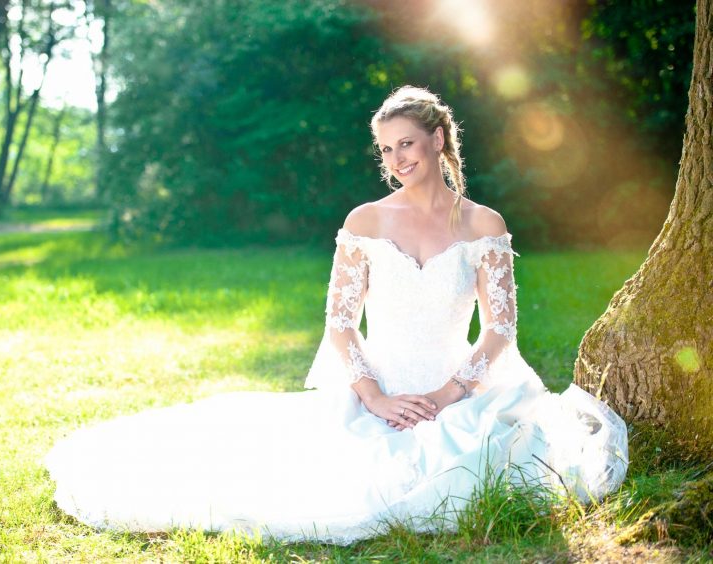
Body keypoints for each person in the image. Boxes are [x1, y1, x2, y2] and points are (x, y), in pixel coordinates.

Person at [45, 86, 628, 545]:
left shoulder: (483, 224)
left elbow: (500, 329)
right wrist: (373, 397)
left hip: (457, 391)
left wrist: (447, 396)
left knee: (490, 467)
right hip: (376, 389)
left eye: (406, 143)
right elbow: (341, 324)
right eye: (386, 149)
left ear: (437, 138)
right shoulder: (364, 222)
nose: (397, 159)